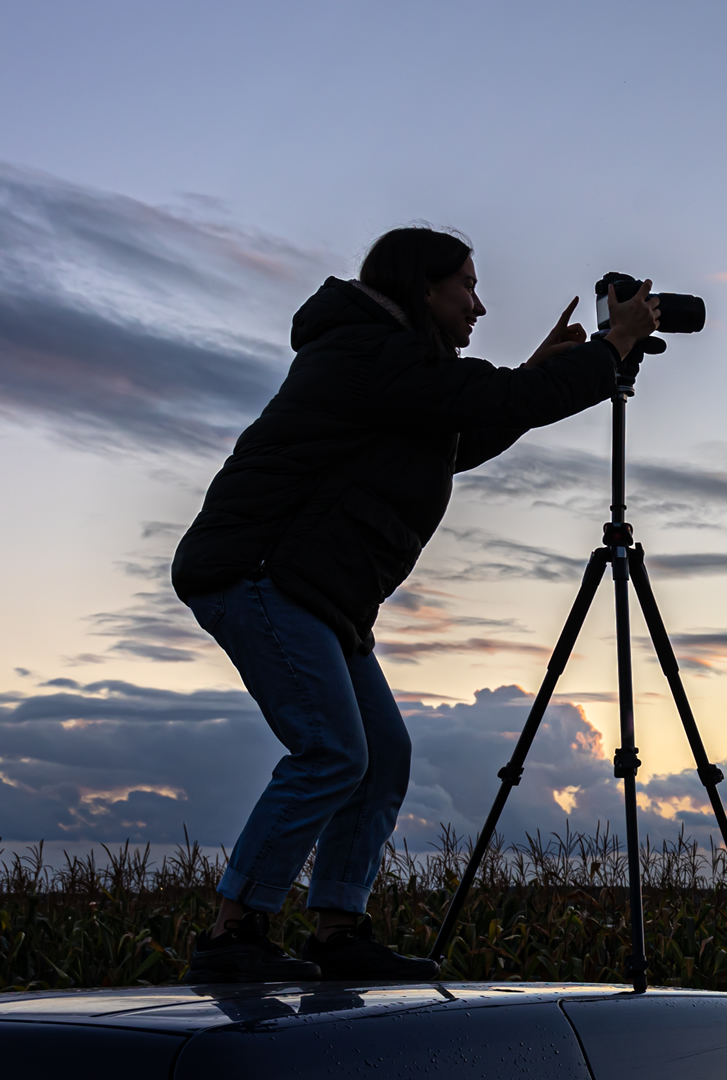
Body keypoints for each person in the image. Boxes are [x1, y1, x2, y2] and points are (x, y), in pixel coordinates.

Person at [171, 226, 661, 981]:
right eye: (466, 285)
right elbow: (480, 400)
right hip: (261, 573)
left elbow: (456, 437)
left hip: (319, 592)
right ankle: (233, 934)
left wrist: (538, 376)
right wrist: (609, 352)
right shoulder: (367, 351)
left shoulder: (401, 371)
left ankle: (337, 931)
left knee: (381, 756)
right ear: (421, 288)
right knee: (332, 749)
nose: (480, 305)